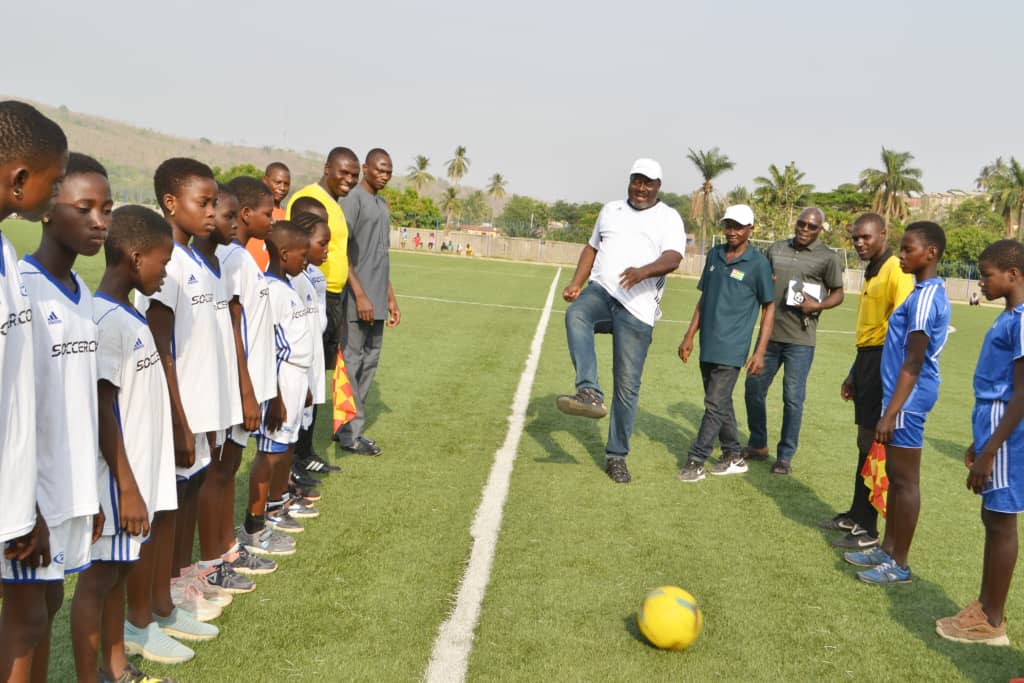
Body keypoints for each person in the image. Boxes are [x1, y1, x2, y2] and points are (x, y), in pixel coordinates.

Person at [73, 205, 181, 681]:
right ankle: (90, 675)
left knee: (116, 573)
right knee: (96, 581)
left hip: (132, 477)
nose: (166, 271)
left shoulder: (129, 315)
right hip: (116, 480)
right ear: (136, 258)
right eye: (164, 260)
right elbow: (102, 409)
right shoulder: (106, 321)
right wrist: (128, 487)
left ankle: (115, 667)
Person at [10, 152, 106, 683]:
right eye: (84, 208)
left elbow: (77, 403)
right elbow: (21, 407)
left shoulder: (82, 293)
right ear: (50, 208)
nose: (99, 222)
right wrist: (29, 507)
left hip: (68, 490)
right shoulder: (23, 287)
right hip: (30, 497)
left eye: (106, 210)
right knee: (25, 618)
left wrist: (86, 496)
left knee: (45, 607)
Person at [134, 158, 228, 643]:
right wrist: (178, 417)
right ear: (171, 203)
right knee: (165, 510)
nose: (212, 212)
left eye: (215, 203)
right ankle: (146, 612)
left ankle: (171, 592)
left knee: (186, 499)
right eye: (203, 202)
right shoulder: (165, 261)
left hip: (199, 408)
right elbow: (161, 346)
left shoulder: (194, 259)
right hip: (178, 411)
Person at [556, 158, 685, 484]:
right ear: (629, 181)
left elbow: (673, 257)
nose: (642, 188)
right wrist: (576, 282)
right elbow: (591, 248)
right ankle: (589, 392)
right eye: (637, 181)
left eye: (649, 183)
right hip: (603, 292)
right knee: (577, 315)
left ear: (658, 187)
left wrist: (644, 271)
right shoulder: (610, 210)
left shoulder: (668, 217)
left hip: (638, 309)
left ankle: (617, 456)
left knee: (627, 388)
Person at [0, 100, 67, 683]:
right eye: (56, 180)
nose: (59, 194)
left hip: (16, 498)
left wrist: (25, 501)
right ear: (20, 179)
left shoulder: (3, 253)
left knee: (33, 615)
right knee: (25, 620)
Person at [843, 222, 950, 584]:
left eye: (908, 250)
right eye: (901, 249)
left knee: (905, 483)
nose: (901, 256)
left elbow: (914, 362)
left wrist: (891, 413)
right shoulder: (919, 292)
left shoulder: (924, 299)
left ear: (931, 253)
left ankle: (899, 562)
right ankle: (886, 549)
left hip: (909, 400)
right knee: (893, 476)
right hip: (900, 397)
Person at [936, 239, 1024, 645]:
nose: (981, 281)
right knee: (992, 517)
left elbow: (1021, 393)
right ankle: (986, 608)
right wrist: (980, 441)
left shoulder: (1023, 319)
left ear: (1013, 275)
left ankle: (992, 621)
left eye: (987, 275)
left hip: (1007, 430)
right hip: (991, 424)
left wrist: (991, 450)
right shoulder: (1008, 315)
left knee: (1002, 519)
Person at [820, 214, 913, 549]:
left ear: (883, 235)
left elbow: (901, 327)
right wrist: (854, 370)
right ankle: (857, 513)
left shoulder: (895, 269)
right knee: (864, 441)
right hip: (867, 359)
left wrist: (884, 376)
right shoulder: (872, 269)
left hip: (883, 360)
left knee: (875, 443)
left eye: (866, 237)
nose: (859, 243)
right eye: (855, 238)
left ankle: (870, 528)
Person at [215, 177, 289, 564]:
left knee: (227, 470)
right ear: (245, 214)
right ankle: (221, 553)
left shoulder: (245, 258)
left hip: (251, 387)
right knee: (221, 473)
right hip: (235, 389)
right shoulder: (231, 259)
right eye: (267, 213)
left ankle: (226, 547)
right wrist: (247, 389)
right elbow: (233, 327)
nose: (273, 221)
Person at [189, 184, 255, 595]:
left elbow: (233, 328)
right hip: (192, 406)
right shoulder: (182, 264)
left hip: (220, 395)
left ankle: (216, 557)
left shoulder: (218, 264)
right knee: (188, 494)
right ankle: (203, 565)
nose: (223, 220)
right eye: (215, 210)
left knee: (213, 475)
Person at [743, 207, 845, 474]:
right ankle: (758, 444)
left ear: (820, 229)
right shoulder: (776, 248)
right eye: (802, 223)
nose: (805, 229)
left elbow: (839, 293)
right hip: (769, 335)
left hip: (801, 338)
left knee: (793, 398)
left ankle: (785, 456)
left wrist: (818, 306)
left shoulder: (828, 257)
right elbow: (761, 278)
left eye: (812, 226)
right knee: (753, 388)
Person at [677, 205, 774, 483]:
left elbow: (769, 308)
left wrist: (759, 351)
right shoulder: (714, 255)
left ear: (750, 230)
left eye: (739, 226)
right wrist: (689, 335)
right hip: (708, 343)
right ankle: (733, 454)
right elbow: (704, 298)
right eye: (728, 225)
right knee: (720, 403)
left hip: (733, 348)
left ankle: (696, 460)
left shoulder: (758, 264)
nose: (732, 231)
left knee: (714, 404)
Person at [238, 221, 311, 556]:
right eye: (302, 255)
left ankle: (274, 509)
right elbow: (268, 347)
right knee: (269, 455)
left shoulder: (287, 286)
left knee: (284, 449)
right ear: (284, 254)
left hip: (296, 381)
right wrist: (278, 396)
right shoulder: (271, 290)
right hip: (281, 384)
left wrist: (305, 386)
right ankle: (254, 526)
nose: (306, 261)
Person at [336, 148, 401, 455]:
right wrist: (360, 294)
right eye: (379, 170)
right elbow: (342, 251)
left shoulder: (382, 203)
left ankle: (346, 427)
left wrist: (389, 296)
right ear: (365, 168)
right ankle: (350, 434)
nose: (384, 176)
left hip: (376, 298)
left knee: (369, 362)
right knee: (351, 363)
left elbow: (380, 254)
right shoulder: (353, 201)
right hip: (356, 299)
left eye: (388, 172)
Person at [287, 147, 359, 372]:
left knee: (320, 367)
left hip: (334, 295)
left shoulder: (335, 203)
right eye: (344, 172)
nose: (350, 179)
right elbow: (293, 243)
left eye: (354, 175)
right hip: (314, 292)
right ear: (327, 169)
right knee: (305, 364)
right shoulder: (309, 199)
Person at [287, 198, 340, 478]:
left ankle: (304, 455)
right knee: (295, 412)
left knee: (314, 398)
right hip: (296, 356)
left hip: (313, 349)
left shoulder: (315, 275)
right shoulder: (290, 277)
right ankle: (292, 464)